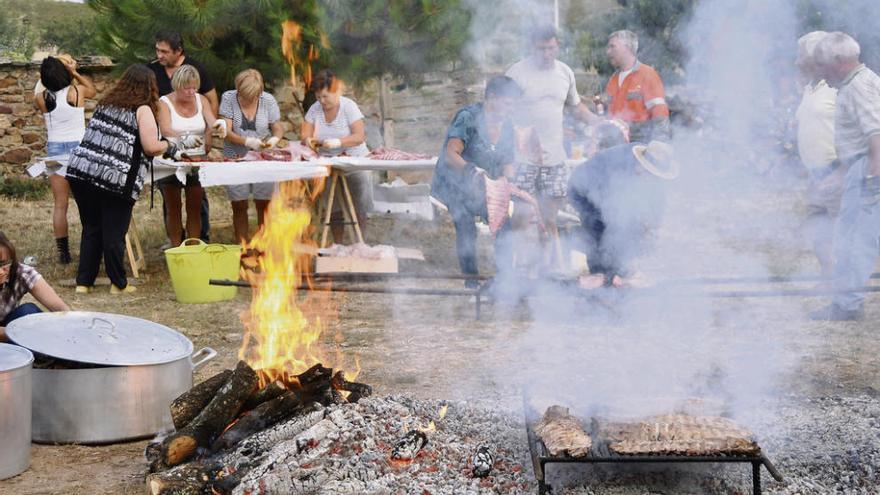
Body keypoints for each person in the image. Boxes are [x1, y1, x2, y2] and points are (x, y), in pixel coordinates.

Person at [66, 64, 179, 294]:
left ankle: (83, 283)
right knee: (114, 232)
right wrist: (170, 144)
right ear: (150, 86)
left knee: (92, 228)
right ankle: (118, 284)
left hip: (82, 172)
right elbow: (150, 146)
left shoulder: (106, 104)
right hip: (115, 178)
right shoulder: (143, 109)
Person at [505, 24, 599, 268]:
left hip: (555, 159)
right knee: (523, 217)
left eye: (551, 48)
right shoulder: (516, 74)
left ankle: (550, 268)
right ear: (531, 47)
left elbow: (575, 106)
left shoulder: (564, 73)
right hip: (523, 159)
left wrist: (599, 123)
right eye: (541, 49)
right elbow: (502, 112)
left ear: (557, 46)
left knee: (550, 218)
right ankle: (517, 268)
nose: (547, 54)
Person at [810, 32, 880, 321]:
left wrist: (872, 185)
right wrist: (841, 175)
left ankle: (847, 306)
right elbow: (859, 143)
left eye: (823, 65)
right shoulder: (853, 85)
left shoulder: (859, 87)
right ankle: (846, 301)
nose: (821, 74)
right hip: (861, 168)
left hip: (869, 172)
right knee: (850, 239)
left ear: (839, 61)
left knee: (858, 240)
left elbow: (877, 136)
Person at [431, 76, 522, 287]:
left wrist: (508, 181)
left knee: (504, 224)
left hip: (483, 187)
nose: (512, 108)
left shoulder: (507, 125)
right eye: (509, 103)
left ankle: (506, 281)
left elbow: (508, 160)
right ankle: (470, 282)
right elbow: (451, 154)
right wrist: (474, 172)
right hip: (455, 184)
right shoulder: (468, 117)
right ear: (492, 97)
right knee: (465, 226)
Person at [568, 140, 677, 289]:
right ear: (641, 165)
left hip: (605, 195)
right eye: (650, 173)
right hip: (582, 189)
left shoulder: (651, 165)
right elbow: (615, 219)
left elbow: (656, 201)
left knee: (625, 231)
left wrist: (651, 227)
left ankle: (616, 273)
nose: (653, 177)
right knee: (599, 229)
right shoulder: (618, 169)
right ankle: (601, 280)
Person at [148, 31, 222, 242]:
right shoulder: (164, 102)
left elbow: (211, 121)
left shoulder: (201, 100)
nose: (191, 92)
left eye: (194, 88)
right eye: (186, 89)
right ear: (177, 86)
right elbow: (167, 130)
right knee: (173, 207)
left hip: (197, 159)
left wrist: (215, 129)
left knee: (195, 205)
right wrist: (187, 139)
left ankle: (194, 246)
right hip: (171, 159)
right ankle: (175, 246)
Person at [33, 55, 96, 264]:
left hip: (55, 150)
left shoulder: (41, 98)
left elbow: (42, 85)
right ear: (64, 74)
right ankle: (92, 245)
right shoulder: (75, 91)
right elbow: (93, 89)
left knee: (60, 204)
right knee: (87, 202)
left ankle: (63, 253)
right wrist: (74, 72)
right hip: (79, 148)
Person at [301, 69, 372, 243]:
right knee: (333, 206)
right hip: (327, 161)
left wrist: (338, 142)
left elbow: (359, 136)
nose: (322, 101)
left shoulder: (349, 106)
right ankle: (338, 244)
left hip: (355, 160)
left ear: (336, 91)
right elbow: (305, 135)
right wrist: (310, 141)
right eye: (318, 97)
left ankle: (360, 242)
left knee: (359, 203)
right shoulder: (315, 109)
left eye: (325, 97)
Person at [794, 31, 841, 279]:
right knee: (817, 228)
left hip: (840, 171)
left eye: (801, 56)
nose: (796, 62)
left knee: (850, 232)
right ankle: (829, 277)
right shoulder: (811, 89)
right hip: (817, 174)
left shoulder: (839, 86)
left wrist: (843, 171)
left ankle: (849, 291)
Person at [219, 69, 284, 243]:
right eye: (245, 96)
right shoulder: (228, 98)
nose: (249, 99)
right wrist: (248, 142)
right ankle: (243, 247)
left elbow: (277, 126)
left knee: (264, 204)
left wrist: (274, 139)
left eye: (254, 96)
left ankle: (264, 247)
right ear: (238, 89)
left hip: (263, 158)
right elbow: (226, 131)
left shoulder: (268, 100)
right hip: (235, 158)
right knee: (239, 204)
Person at [604, 30, 671, 143]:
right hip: (615, 147)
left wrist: (659, 145)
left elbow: (660, 115)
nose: (608, 52)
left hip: (639, 146)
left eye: (612, 47)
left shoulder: (648, 74)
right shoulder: (613, 80)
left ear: (627, 48)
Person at [0, 231, 69, 335]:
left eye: (4, 263)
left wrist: (73, 327)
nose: (1, 271)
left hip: (9, 330)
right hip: (9, 334)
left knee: (28, 311)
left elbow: (62, 310)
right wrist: (23, 332)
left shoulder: (20, 272)